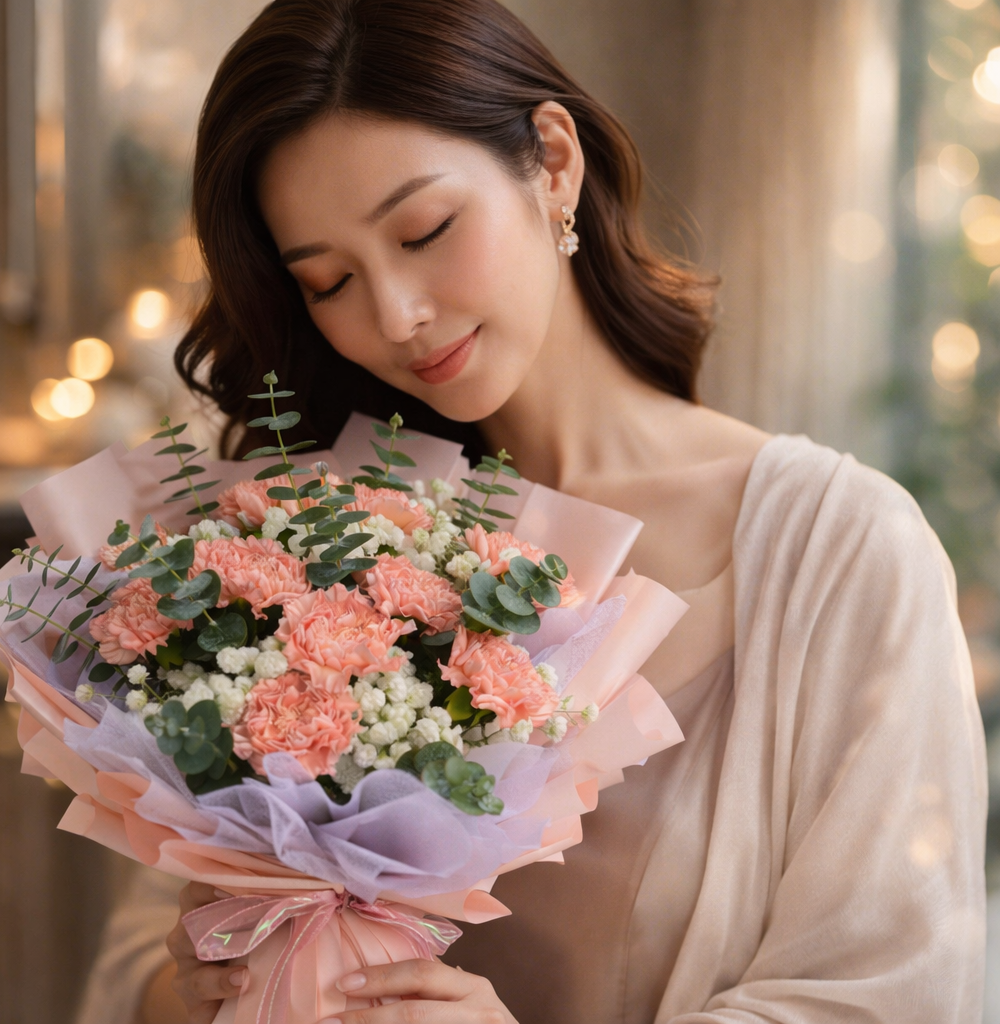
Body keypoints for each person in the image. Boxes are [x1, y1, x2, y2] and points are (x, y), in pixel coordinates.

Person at [74, 1, 988, 1022]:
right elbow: (128, 972)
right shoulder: (312, 542)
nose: (394, 316)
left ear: (552, 161)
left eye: (425, 230)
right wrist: (201, 985)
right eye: (328, 282)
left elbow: (902, 993)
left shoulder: (837, 551)